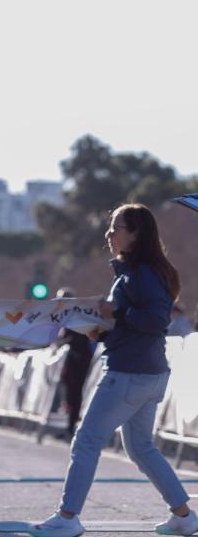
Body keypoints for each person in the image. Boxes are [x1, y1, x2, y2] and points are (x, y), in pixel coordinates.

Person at [30, 204, 198, 537]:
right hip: (145, 372)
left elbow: (156, 319)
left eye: (117, 227)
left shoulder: (141, 274)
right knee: (141, 448)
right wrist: (103, 327)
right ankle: (183, 515)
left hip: (129, 373)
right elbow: (139, 319)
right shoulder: (138, 271)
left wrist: (117, 316)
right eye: (110, 226)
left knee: (87, 440)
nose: (110, 233)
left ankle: (67, 516)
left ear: (137, 234)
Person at [54, 287, 95, 439]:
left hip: (79, 360)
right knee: (68, 394)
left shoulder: (77, 314)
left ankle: (72, 427)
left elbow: (78, 337)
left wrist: (62, 342)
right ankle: (68, 426)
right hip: (72, 359)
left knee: (75, 394)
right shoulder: (66, 315)